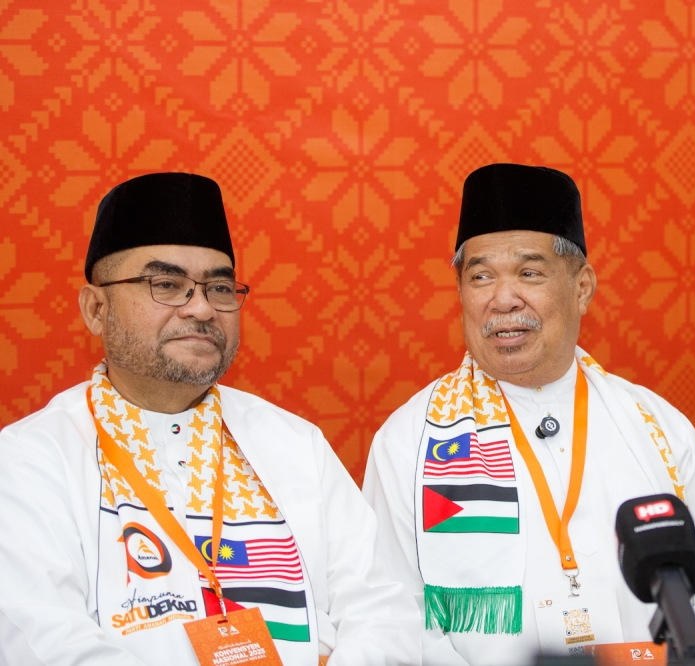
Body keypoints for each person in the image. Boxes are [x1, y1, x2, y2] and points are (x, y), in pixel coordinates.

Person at [0, 173, 421, 665]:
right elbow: (42, 643)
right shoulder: (30, 459)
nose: (200, 308)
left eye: (219, 287)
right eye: (166, 284)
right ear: (96, 309)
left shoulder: (293, 443)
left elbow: (383, 610)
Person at [362, 163, 695, 665]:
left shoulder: (654, 426)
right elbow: (392, 613)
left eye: (530, 273)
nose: (503, 300)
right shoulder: (408, 442)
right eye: (481, 276)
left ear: (582, 287)